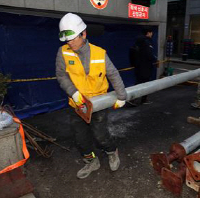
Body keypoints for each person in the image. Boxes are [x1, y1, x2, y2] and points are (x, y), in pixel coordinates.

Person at [55, 13, 127, 179]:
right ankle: (91, 161)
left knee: (100, 134)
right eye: (67, 39)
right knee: (81, 138)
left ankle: (111, 151)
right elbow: (61, 75)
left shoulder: (99, 53)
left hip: (99, 104)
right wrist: (73, 93)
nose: (70, 42)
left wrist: (122, 96)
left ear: (84, 34)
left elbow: (113, 74)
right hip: (77, 104)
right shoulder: (63, 52)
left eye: (73, 38)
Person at [130, 28, 157, 105]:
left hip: (138, 66)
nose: (152, 34)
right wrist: (155, 59)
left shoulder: (138, 41)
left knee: (138, 82)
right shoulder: (147, 42)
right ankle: (143, 100)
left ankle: (132, 99)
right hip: (145, 67)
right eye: (151, 33)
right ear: (148, 33)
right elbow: (149, 55)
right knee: (145, 84)